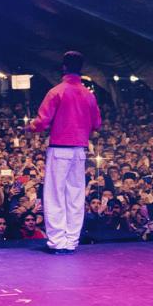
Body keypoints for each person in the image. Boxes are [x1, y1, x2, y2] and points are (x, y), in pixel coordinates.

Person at [27, 51, 101, 254]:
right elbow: (97, 124)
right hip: (79, 151)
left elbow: (42, 122)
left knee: (55, 195)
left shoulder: (56, 92)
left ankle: (58, 241)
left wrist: (29, 127)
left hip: (59, 149)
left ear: (64, 67)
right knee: (76, 195)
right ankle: (71, 241)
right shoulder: (89, 94)